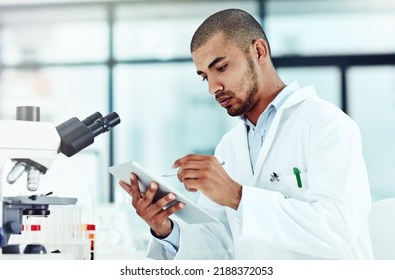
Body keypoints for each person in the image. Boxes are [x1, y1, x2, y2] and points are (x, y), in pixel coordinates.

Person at [119, 8, 374, 259]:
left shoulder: (327, 124)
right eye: (204, 76)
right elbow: (221, 245)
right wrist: (166, 230)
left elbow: (338, 231)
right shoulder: (229, 146)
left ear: (259, 51)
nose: (212, 88)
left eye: (221, 67)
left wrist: (237, 196)